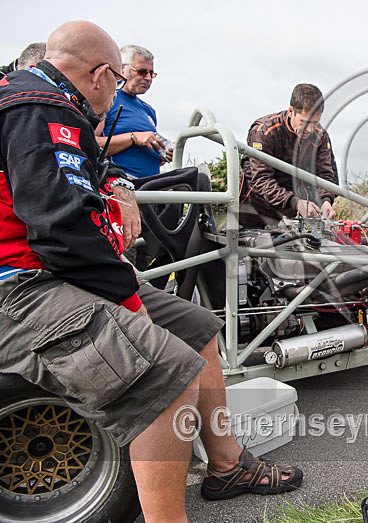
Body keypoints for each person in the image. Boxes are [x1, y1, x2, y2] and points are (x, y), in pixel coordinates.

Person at [0, 21, 302, 522]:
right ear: (100, 74)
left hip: (52, 270)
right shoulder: (37, 108)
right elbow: (64, 232)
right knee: (167, 373)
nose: (117, 90)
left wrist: (119, 184)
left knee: (199, 329)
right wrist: (130, 302)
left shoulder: (52, 103)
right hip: (23, 284)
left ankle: (226, 466)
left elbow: (86, 175)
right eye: (119, 79)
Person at [241, 83, 338, 224]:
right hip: (256, 210)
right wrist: (295, 202)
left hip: (295, 213)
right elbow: (261, 179)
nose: (310, 129)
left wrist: (325, 201)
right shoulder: (264, 131)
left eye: (315, 123)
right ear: (291, 111)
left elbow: (325, 174)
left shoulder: (320, 135)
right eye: (305, 122)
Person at [94, 44, 172, 178]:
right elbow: (90, 144)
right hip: (120, 182)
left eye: (151, 74)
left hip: (150, 185)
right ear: (123, 69)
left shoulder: (148, 110)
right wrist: (132, 137)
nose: (148, 78)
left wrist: (162, 155)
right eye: (142, 72)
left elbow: (138, 154)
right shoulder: (109, 98)